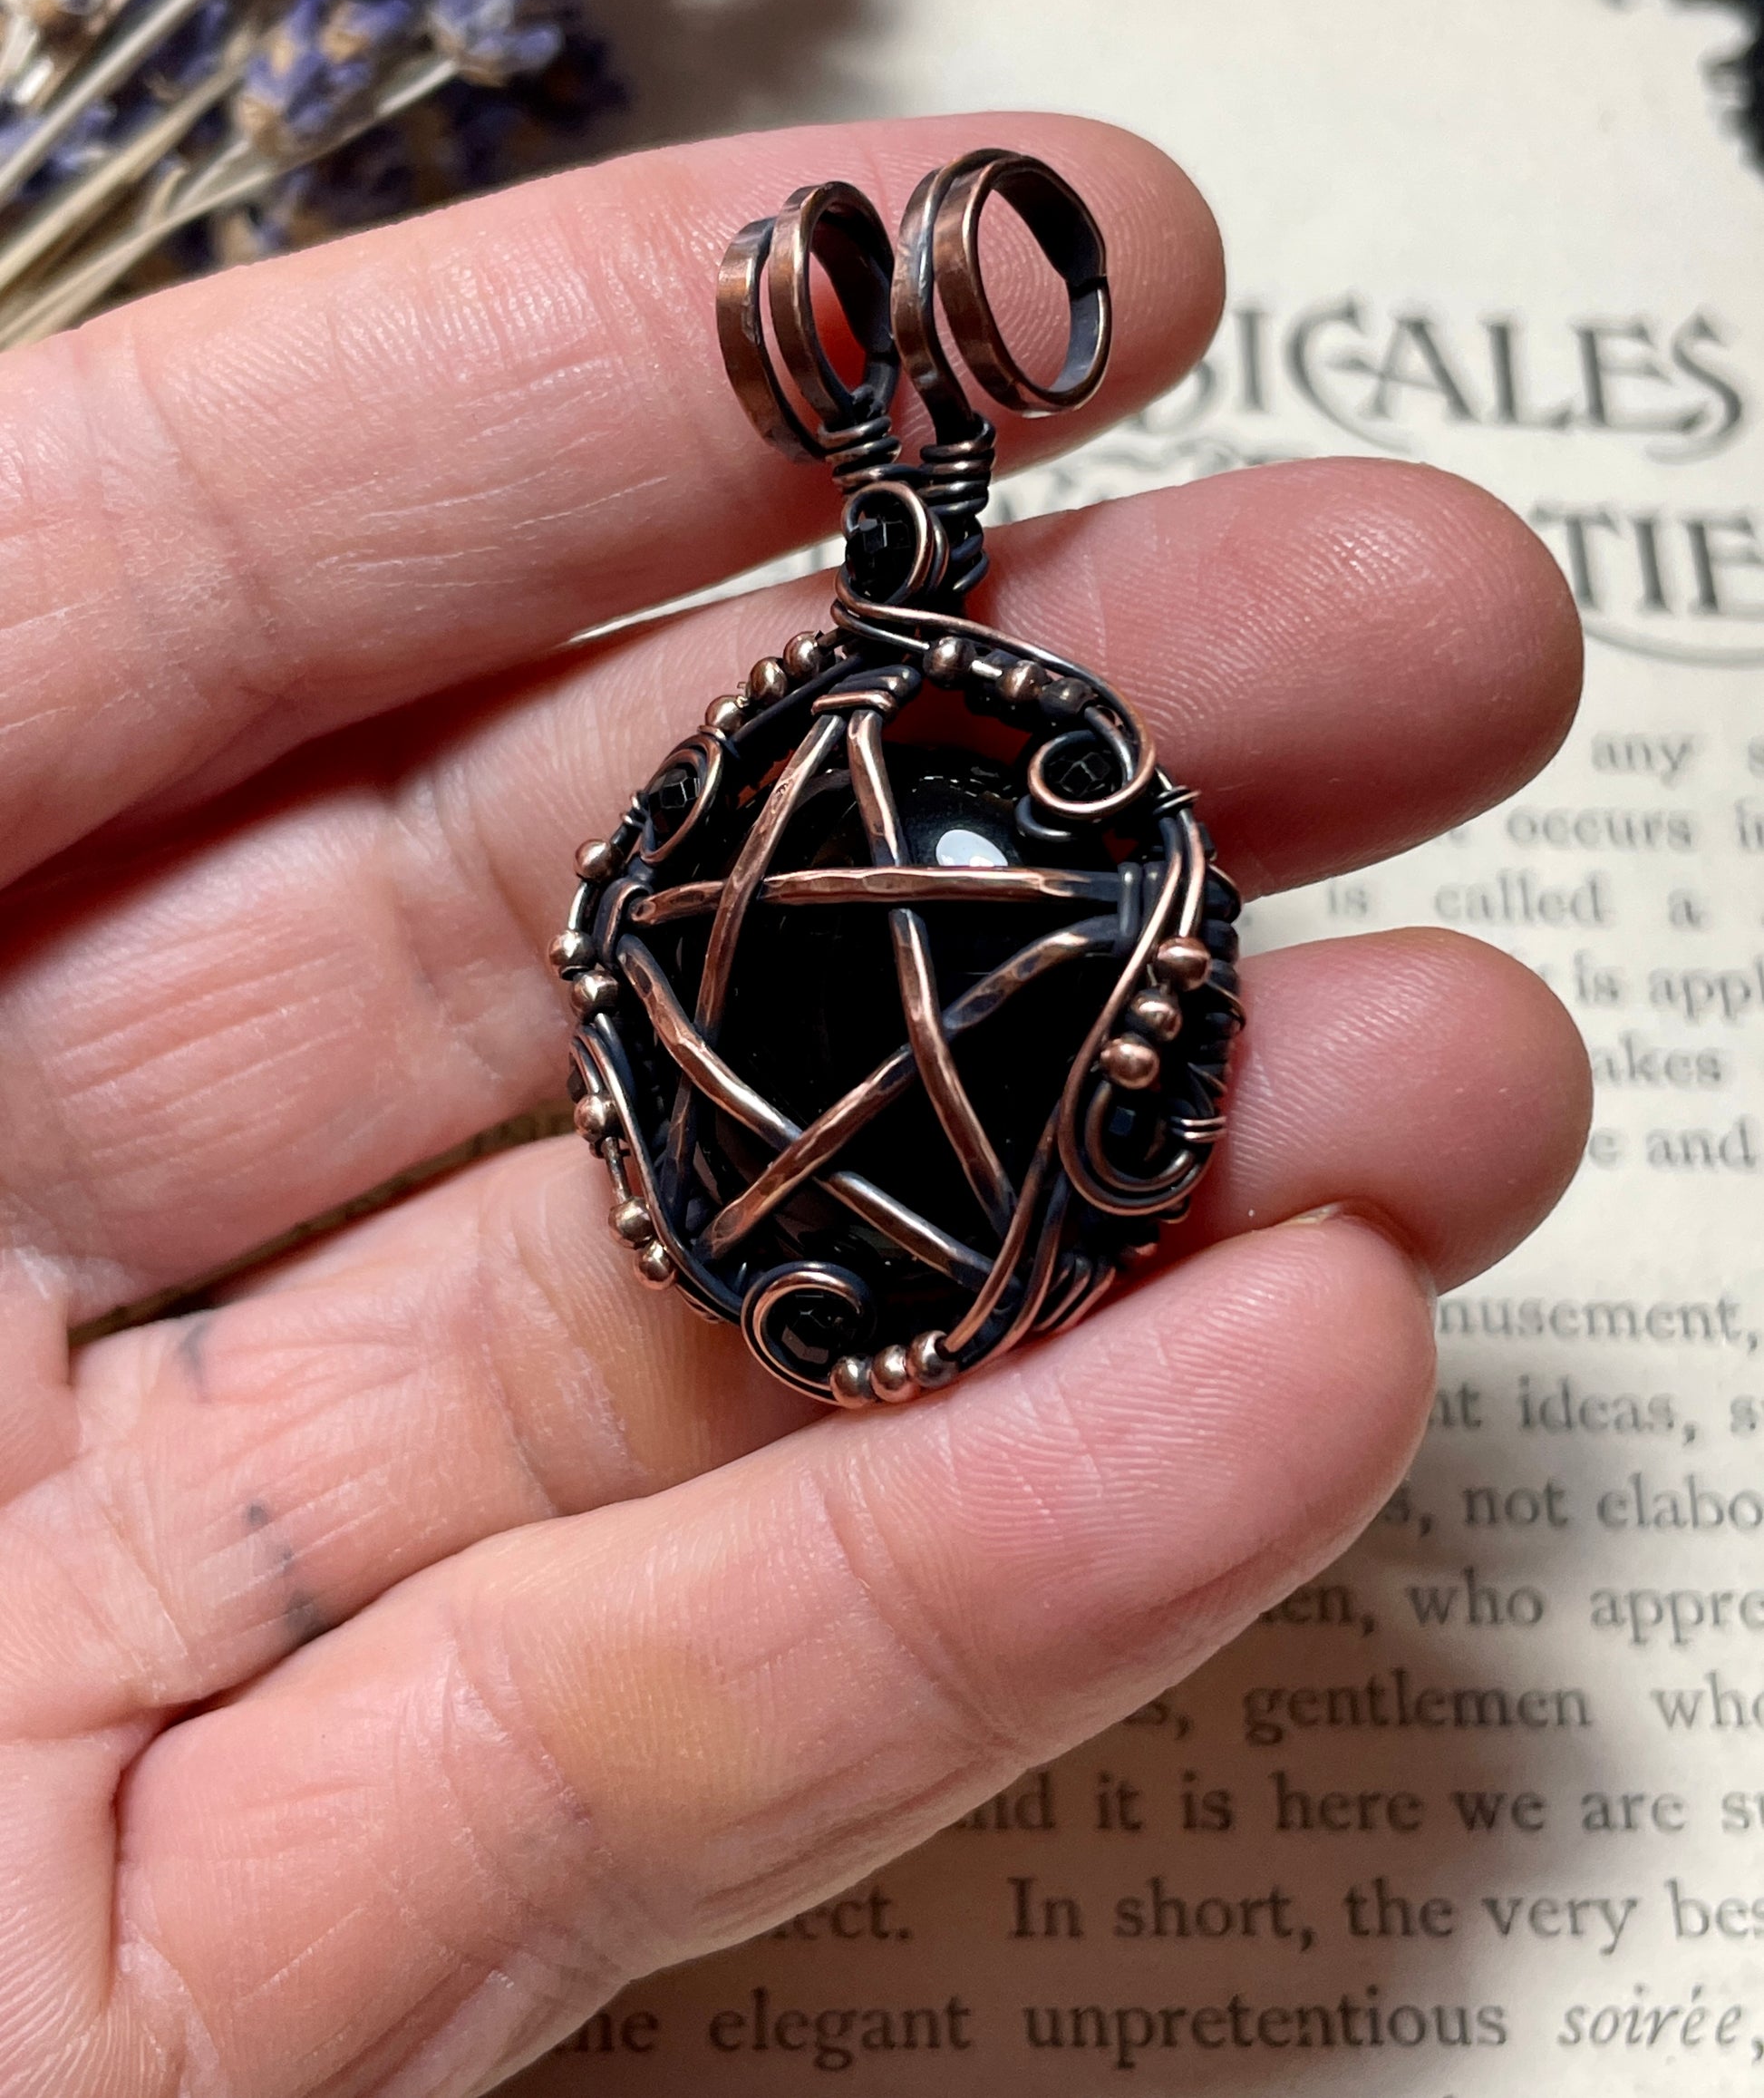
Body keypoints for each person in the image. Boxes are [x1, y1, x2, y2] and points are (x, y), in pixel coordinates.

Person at [0, 111, 1588, 2096]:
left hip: (909, 1193)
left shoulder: (934, 810)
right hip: (850, 1180)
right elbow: (635, 946)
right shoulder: (808, 825)